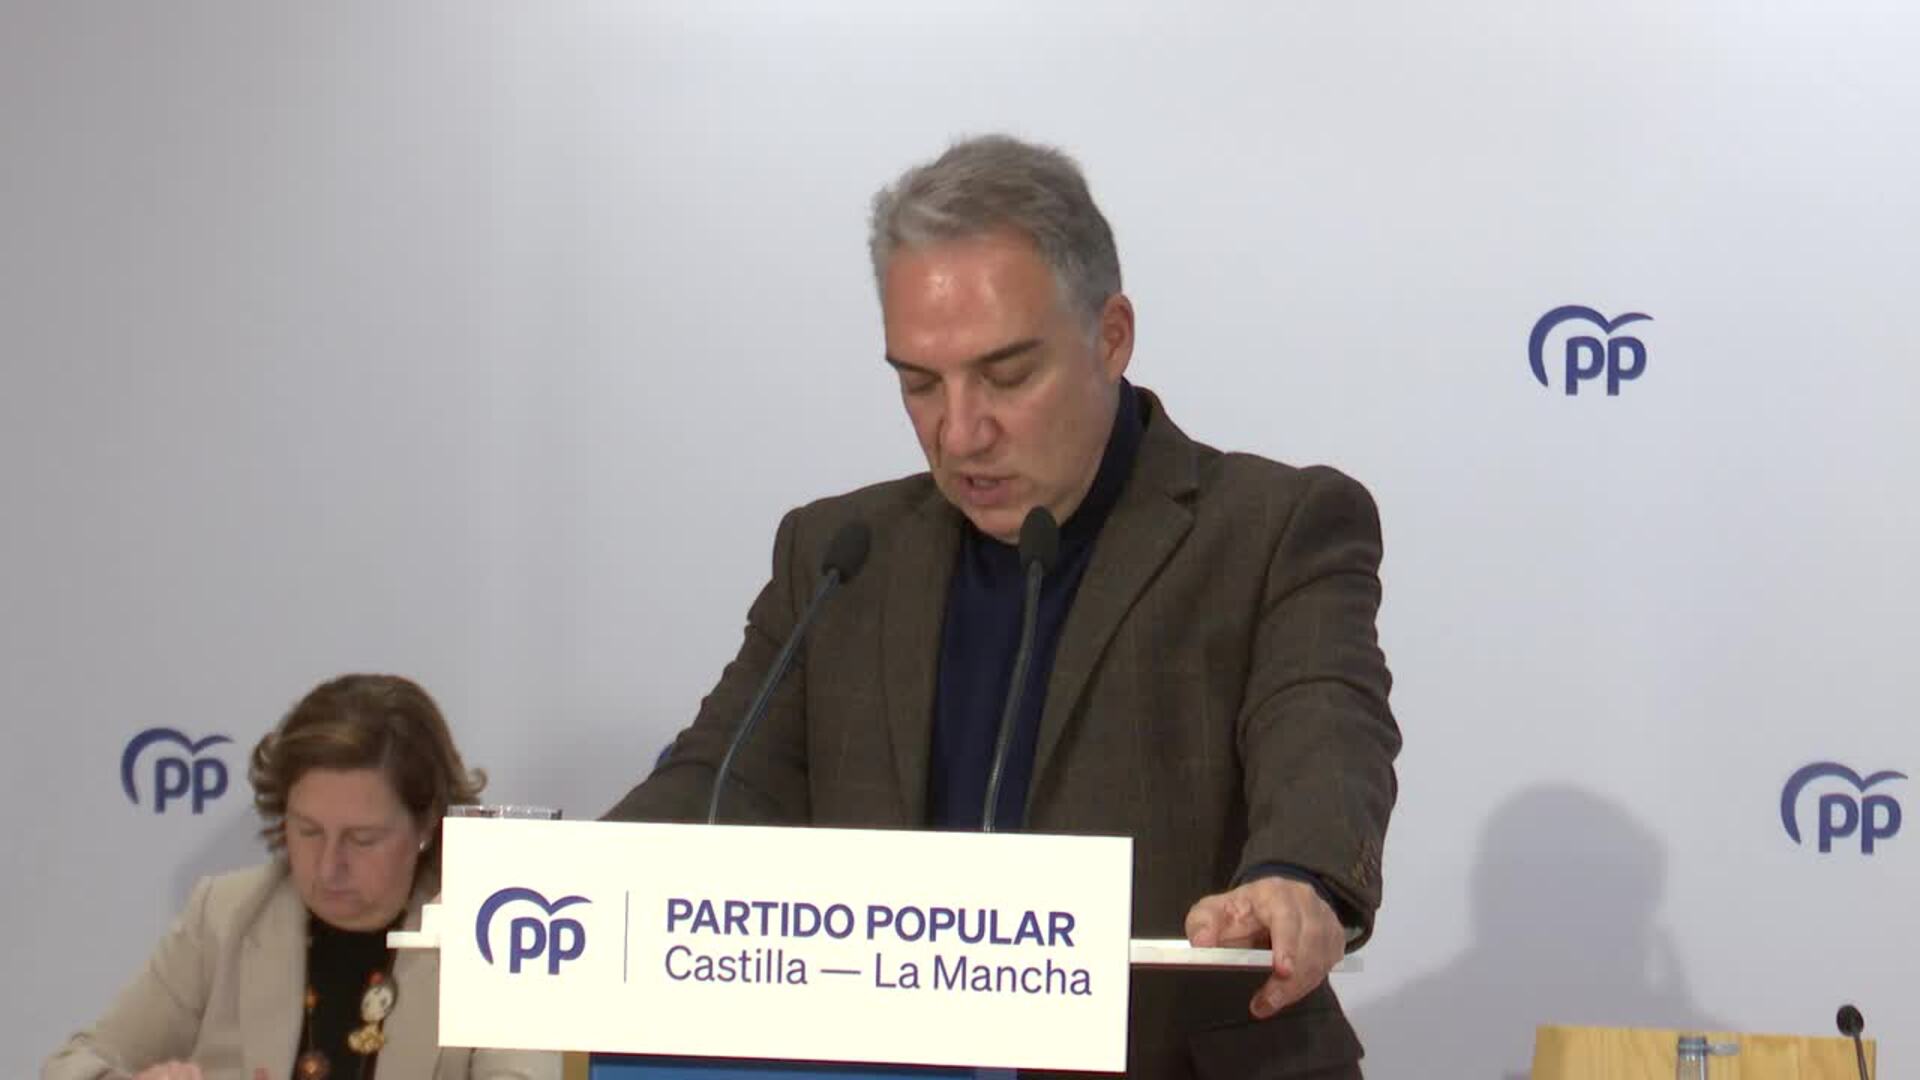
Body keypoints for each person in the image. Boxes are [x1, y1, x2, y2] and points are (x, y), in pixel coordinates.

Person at [604, 134, 1400, 1078]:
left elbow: (1323, 729)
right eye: (919, 384)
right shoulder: (837, 554)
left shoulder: (1272, 529)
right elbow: (719, 782)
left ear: (1111, 336)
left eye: (1008, 376)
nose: (960, 432)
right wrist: (560, 887)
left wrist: (1298, 877)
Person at [44, 674, 560, 1080]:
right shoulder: (224, 916)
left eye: (362, 839)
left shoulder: (496, 933)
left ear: (426, 825)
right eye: (308, 830)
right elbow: (72, 1064)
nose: (328, 865)